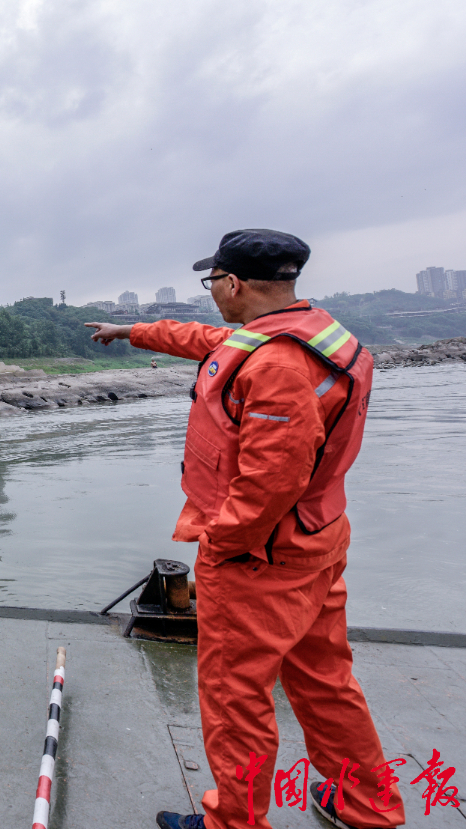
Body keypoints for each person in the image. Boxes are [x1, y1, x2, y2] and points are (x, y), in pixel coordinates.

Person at [85, 230, 404, 829]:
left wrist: (218, 551)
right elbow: (208, 340)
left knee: (236, 697)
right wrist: (131, 332)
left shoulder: (277, 367)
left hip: (260, 555)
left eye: (212, 283)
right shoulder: (310, 332)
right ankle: (364, 807)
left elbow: (269, 484)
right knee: (325, 681)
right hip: (317, 539)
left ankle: (233, 822)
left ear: (232, 284)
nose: (211, 295)